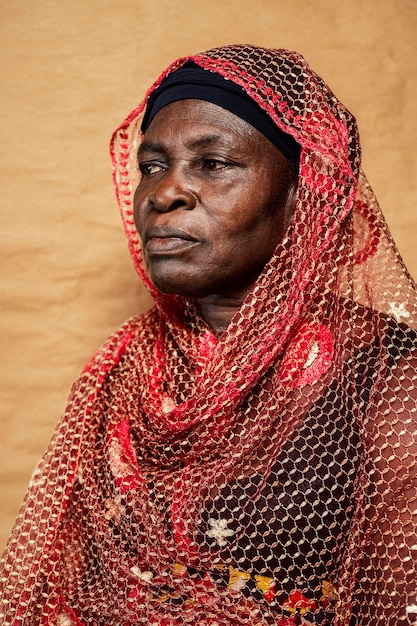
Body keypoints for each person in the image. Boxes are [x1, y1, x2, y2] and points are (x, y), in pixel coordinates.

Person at [0, 44, 416, 626]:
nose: (163, 193)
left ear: (307, 194)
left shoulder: (391, 382)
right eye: (152, 165)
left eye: (213, 163)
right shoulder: (124, 372)